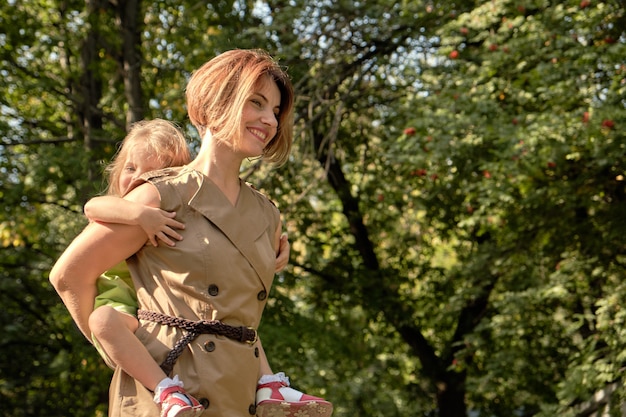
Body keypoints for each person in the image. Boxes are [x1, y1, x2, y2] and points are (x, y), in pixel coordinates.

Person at [50, 49, 333, 417]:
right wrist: (118, 350)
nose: (270, 120)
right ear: (217, 104)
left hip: (241, 395)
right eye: (257, 103)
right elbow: (69, 275)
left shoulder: (267, 214)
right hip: (169, 394)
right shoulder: (159, 194)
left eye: (276, 111)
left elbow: (239, 311)